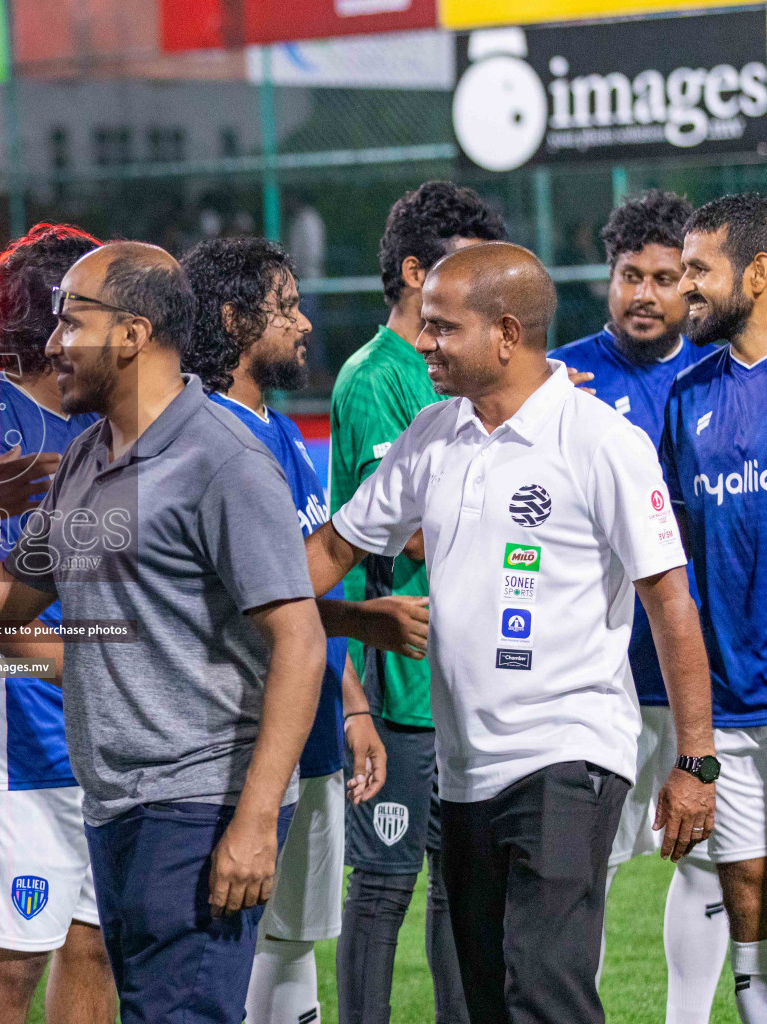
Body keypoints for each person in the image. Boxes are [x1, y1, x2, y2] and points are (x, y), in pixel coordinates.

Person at [0, 240, 328, 1024]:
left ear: (132, 334)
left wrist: (257, 818)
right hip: (116, 801)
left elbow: (299, 640)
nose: (52, 341)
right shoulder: (88, 457)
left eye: (73, 321)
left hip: (200, 806)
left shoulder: (223, 460)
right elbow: (9, 603)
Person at [308, 241, 717, 1024]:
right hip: (464, 771)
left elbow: (670, 601)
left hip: (569, 753)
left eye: (441, 328)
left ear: (505, 333)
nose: (423, 343)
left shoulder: (599, 442)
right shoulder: (432, 435)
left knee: (545, 987)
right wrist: (230, 595)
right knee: (486, 997)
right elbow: (332, 550)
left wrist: (694, 758)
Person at [180, 236, 391, 1024]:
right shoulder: (211, 441)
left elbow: (290, 597)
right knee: (229, 947)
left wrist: (352, 704)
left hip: (312, 732)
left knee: (295, 941)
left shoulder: (279, 432)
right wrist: (360, 619)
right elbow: (243, 605)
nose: (304, 323)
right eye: (287, 307)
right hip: (245, 747)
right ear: (235, 321)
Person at [328, 180, 504, 1024]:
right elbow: (398, 533)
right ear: (412, 272)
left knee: (457, 890)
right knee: (385, 885)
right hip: (400, 679)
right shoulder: (376, 378)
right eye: (456, 269)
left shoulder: (456, 368)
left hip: (464, 674)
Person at [0, 222, 117, 1024]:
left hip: (109, 732)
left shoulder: (102, 416)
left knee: (95, 942)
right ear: (54, 316)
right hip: (27, 737)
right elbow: (1, 604)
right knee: (12, 961)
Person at [551, 189, 726, 1021]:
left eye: (667, 277)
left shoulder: (712, 377)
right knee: (591, 865)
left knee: (707, 858)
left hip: (700, 670)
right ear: (609, 277)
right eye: (631, 276)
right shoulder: (559, 378)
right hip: (602, 672)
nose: (647, 294)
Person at [662, 191, 767, 1024]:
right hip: (729, 696)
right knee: (745, 884)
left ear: (758, 274)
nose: (682, 287)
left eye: (700, 269)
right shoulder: (685, 397)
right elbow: (678, 558)